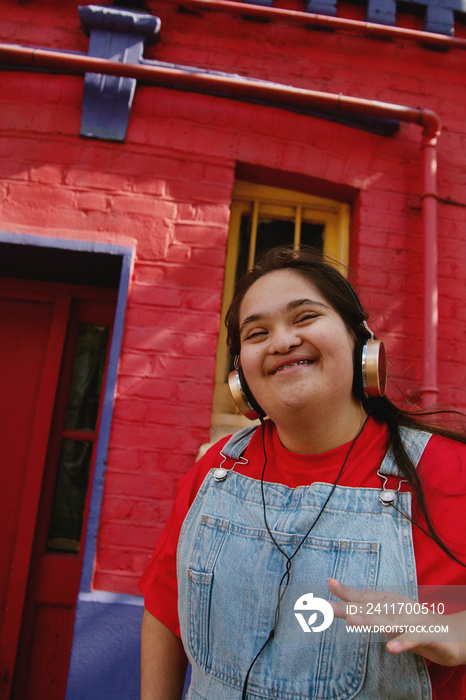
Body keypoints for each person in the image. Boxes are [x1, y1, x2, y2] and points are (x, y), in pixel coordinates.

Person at [140, 246, 466, 700]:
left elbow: (457, 612)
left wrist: (458, 630)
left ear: (361, 342)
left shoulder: (449, 473)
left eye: (305, 317)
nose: (281, 341)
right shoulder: (214, 471)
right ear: (241, 380)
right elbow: (164, 607)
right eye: (256, 333)